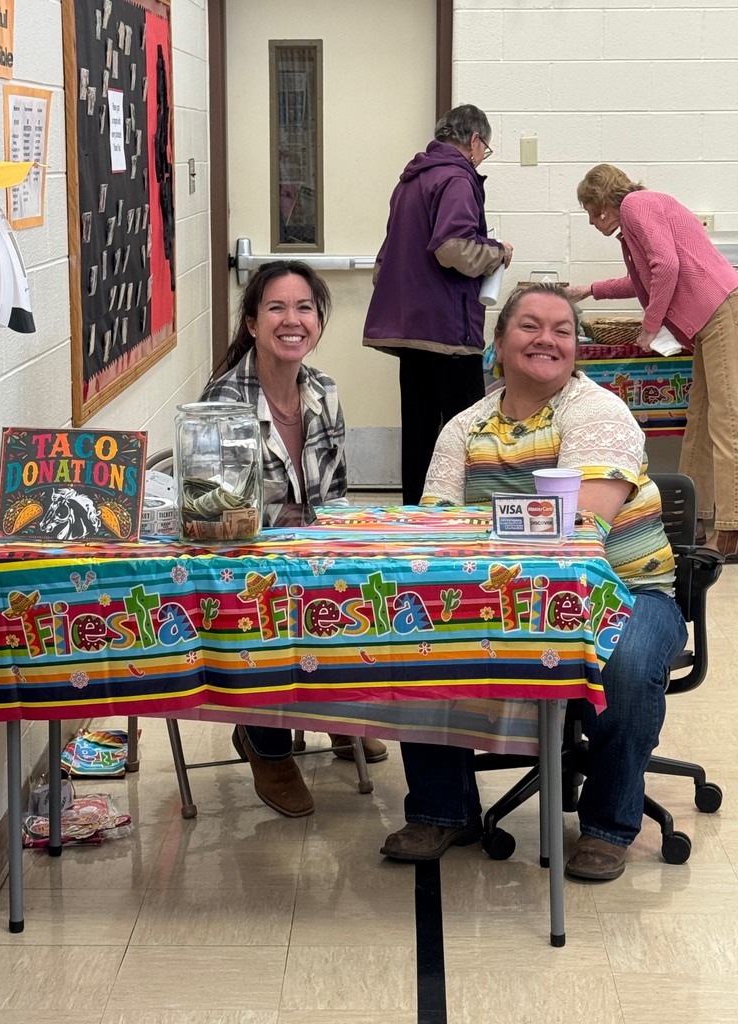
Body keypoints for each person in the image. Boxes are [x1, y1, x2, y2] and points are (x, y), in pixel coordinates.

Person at [380, 283, 688, 881]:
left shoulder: (598, 411)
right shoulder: (464, 428)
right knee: (415, 628)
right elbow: (438, 531)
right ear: (498, 344)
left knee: (624, 665)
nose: (546, 338)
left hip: (624, 590)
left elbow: (581, 533)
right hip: (504, 594)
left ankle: (607, 825)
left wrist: (484, 534)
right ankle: (443, 811)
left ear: (576, 349)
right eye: (529, 325)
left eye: (562, 330)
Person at [202, 259, 388, 818]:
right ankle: (267, 744)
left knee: (364, 586)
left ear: (319, 321)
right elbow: (219, 519)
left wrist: (340, 551)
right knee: (271, 601)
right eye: (277, 308)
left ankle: (330, 711)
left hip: (311, 552)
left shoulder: (323, 391)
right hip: (246, 563)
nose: (292, 320)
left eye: (304, 308)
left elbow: (337, 494)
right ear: (253, 323)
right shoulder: (223, 402)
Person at [566, 163, 738, 562]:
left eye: (592, 212)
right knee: (699, 419)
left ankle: (730, 530)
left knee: (726, 422)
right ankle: (694, 517)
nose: (592, 222)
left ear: (604, 203)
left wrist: (650, 326)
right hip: (708, 317)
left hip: (720, 311)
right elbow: (642, 280)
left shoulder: (637, 205)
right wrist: (588, 290)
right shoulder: (634, 221)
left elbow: (668, 266)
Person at [363, 103, 514, 506]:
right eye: (486, 150)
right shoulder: (458, 179)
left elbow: (390, 254)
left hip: (410, 329)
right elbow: (453, 248)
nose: (483, 158)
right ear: (474, 140)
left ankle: (415, 520)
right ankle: (466, 518)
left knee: (418, 433)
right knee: (467, 429)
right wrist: (497, 252)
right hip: (447, 329)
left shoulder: (410, 181)